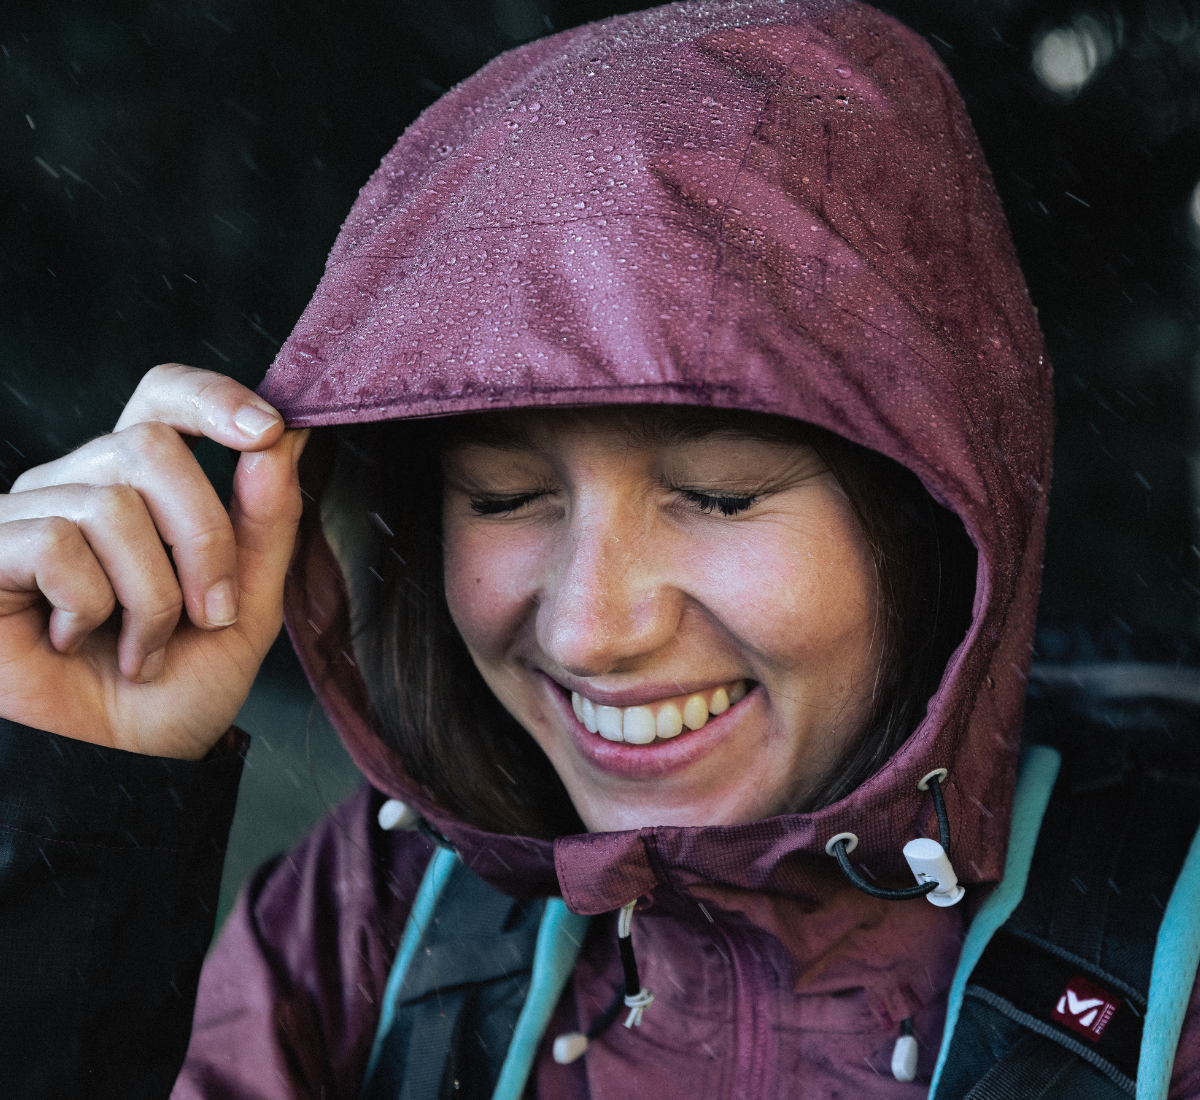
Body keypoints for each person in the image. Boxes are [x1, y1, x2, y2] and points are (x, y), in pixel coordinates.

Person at [0, 1, 1197, 1097]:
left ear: (934, 516)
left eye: (719, 496)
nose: (587, 629)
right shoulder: (374, 917)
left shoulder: (1173, 965)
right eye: (507, 495)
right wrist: (77, 828)